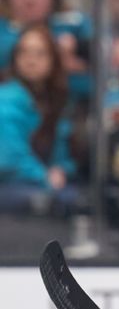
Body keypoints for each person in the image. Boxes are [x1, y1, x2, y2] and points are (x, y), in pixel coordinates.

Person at [0, 24, 77, 216]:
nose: (30, 60)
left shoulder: (54, 100)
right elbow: (8, 161)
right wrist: (45, 177)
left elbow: (61, 155)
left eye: (40, 53)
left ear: (53, 59)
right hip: (11, 187)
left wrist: (62, 169)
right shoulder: (6, 99)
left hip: (38, 184)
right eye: (24, 52)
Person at [0, 0, 92, 101]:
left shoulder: (74, 23)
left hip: (68, 108)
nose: (29, 0)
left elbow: (107, 53)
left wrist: (79, 63)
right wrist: (57, 59)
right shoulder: (3, 32)